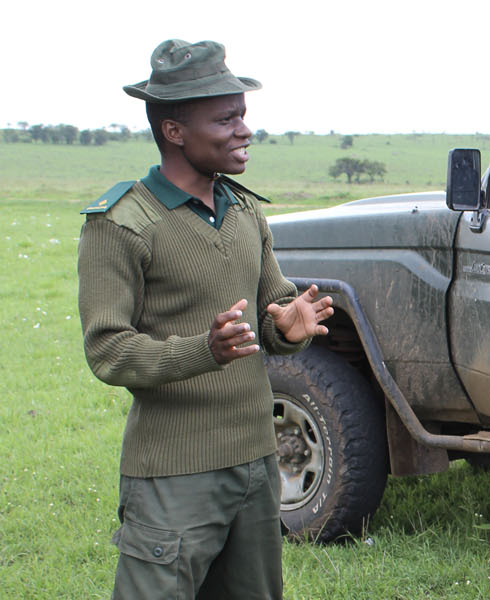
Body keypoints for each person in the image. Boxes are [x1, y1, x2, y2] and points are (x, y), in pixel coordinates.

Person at [78, 39, 334, 599]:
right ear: (174, 132)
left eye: (242, 115)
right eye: (226, 119)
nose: (244, 130)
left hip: (256, 462)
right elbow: (108, 350)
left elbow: (270, 313)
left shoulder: (245, 210)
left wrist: (288, 328)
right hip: (174, 471)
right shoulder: (122, 224)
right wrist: (204, 350)